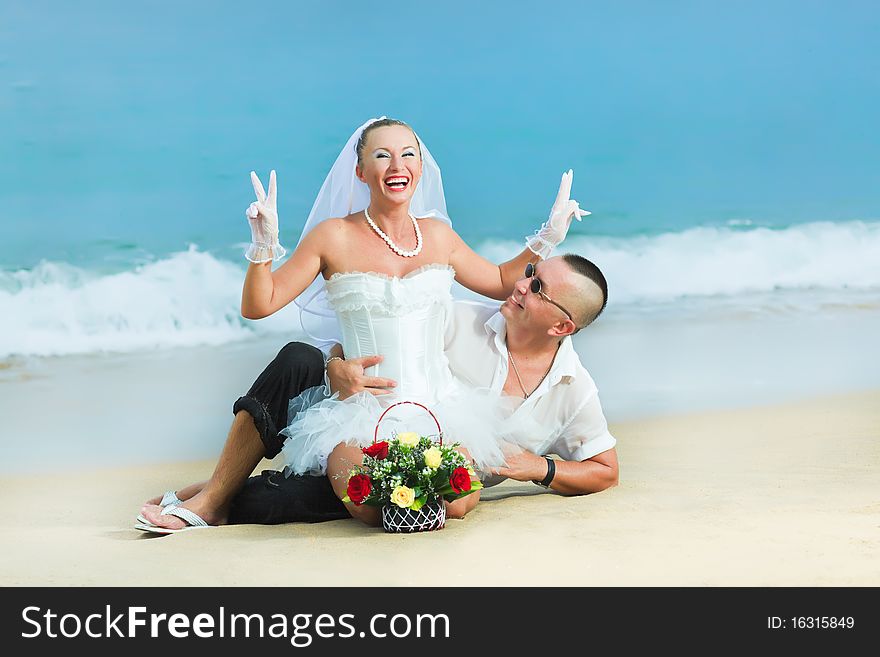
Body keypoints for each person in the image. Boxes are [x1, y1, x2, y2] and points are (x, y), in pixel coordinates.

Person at [136, 117, 587, 532]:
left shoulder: (439, 236)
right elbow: (260, 304)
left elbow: (499, 280)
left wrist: (549, 235)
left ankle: (230, 491)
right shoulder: (333, 236)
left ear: (421, 168)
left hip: (442, 410)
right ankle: (221, 494)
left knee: (454, 504)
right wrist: (263, 246)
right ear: (360, 171)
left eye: (409, 154)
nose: (398, 165)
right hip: (362, 414)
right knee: (370, 503)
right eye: (382, 155)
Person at [139, 254, 618, 532]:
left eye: (537, 286)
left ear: (561, 324)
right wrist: (336, 368)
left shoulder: (573, 388)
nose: (520, 284)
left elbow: (605, 470)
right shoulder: (457, 317)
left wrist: (537, 467)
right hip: (366, 421)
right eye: (530, 270)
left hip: (419, 489)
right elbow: (361, 344)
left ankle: (216, 493)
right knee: (299, 359)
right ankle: (213, 497)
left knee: (286, 501)